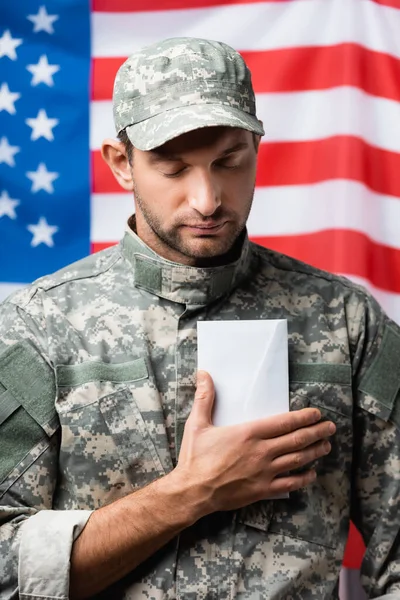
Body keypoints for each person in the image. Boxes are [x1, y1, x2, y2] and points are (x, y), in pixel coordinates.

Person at [0, 36, 399, 600]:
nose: (207, 199)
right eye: (173, 167)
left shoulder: (348, 322)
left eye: (228, 163)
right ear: (122, 164)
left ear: (257, 150)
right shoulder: (36, 328)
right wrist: (192, 492)